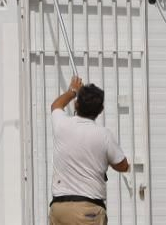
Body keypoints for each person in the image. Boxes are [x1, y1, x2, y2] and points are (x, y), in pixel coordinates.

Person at [48, 74, 129, 224]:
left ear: (76, 105)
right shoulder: (104, 135)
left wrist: (73, 91)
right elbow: (123, 166)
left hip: (59, 207)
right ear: (100, 110)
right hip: (88, 209)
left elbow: (56, 105)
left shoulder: (62, 125)